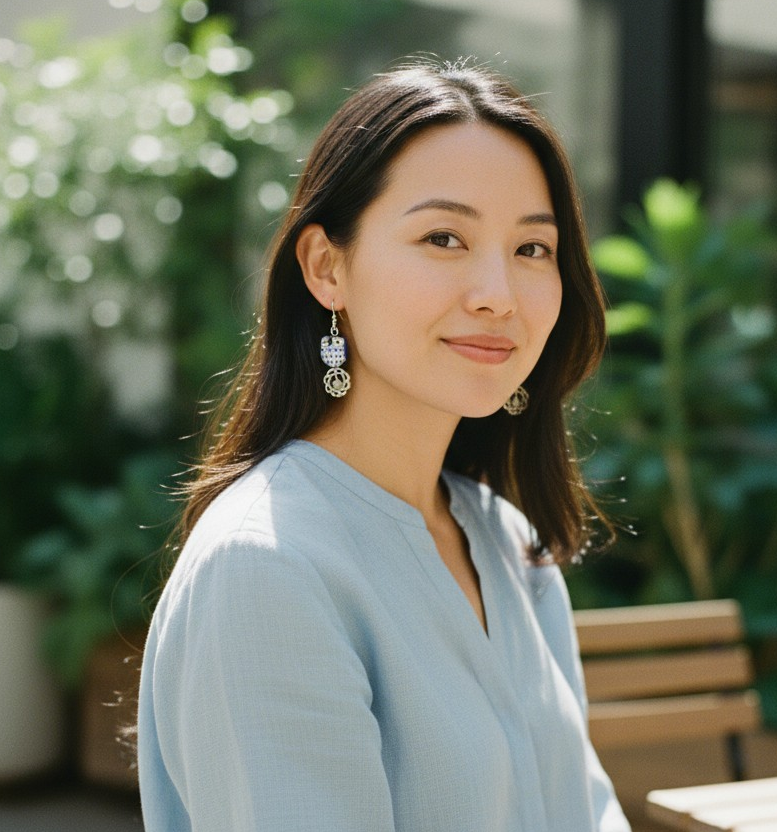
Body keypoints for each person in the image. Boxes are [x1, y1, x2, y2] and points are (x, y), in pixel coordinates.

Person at [137, 58, 631, 832]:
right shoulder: (267, 567)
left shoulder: (508, 543)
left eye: (532, 249)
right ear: (327, 267)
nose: (497, 293)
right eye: (444, 237)